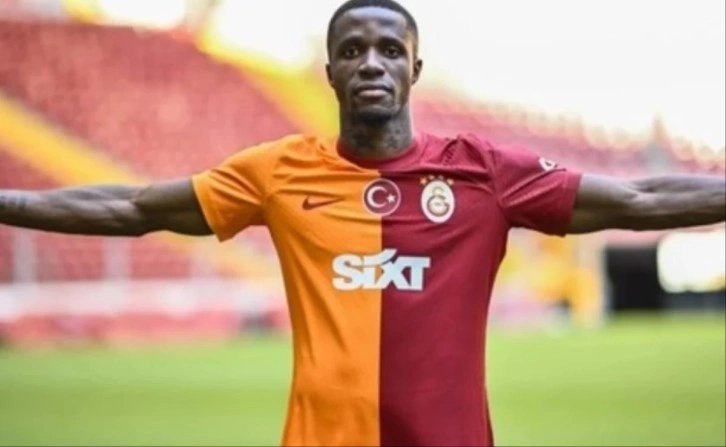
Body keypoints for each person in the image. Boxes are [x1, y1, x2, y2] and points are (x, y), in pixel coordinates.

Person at [1, 0, 724, 445]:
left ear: (414, 69)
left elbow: (638, 200)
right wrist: (10, 202)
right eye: (352, 51)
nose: (371, 64)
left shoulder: (483, 172)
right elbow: (134, 207)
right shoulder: (278, 172)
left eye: (389, 50)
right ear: (330, 74)